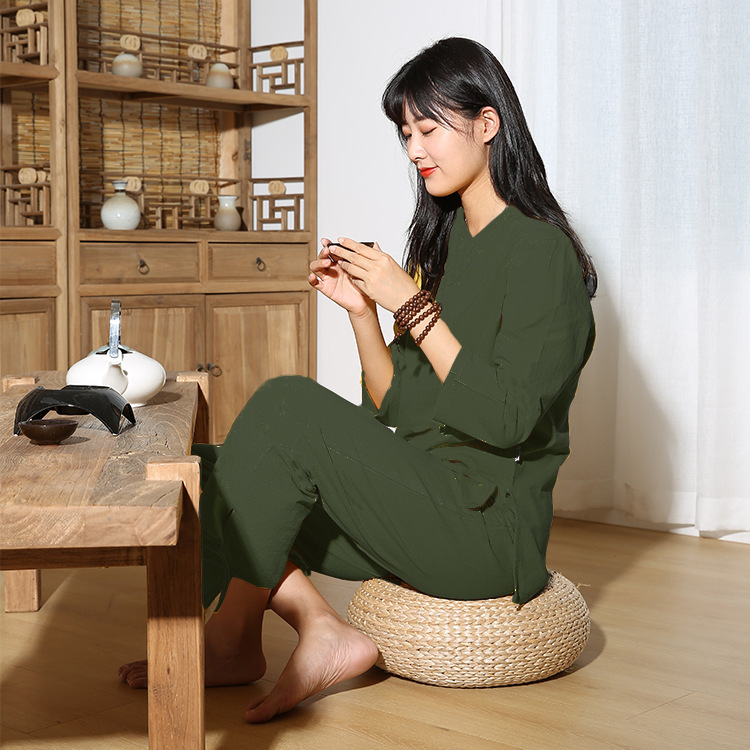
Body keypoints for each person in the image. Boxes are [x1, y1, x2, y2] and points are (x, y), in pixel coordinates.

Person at [119, 37, 596, 723]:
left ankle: (230, 637)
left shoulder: (542, 254)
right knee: (206, 469)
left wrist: (413, 305)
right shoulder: (448, 242)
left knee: (286, 404)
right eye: (406, 133)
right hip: (416, 499)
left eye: (428, 129)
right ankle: (306, 628)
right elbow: (394, 404)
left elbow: (508, 419)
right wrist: (363, 315)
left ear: (487, 124)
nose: (414, 149)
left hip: (485, 530)